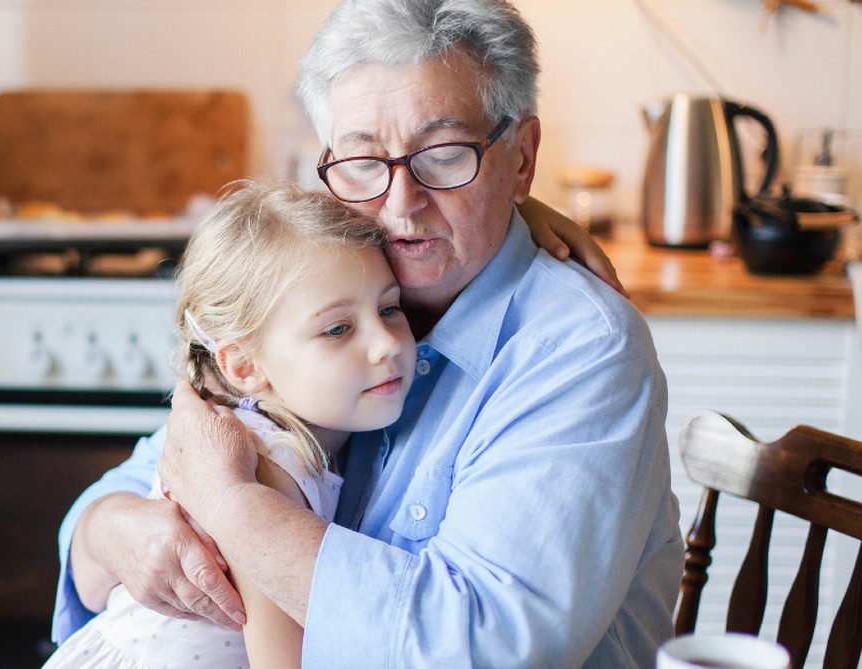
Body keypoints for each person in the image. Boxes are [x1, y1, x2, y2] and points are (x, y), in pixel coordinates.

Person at [56, 1, 684, 666]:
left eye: (444, 156)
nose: (398, 203)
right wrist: (110, 533)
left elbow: (480, 648)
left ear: (521, 158)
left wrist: (233, 508)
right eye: (363, 160)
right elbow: (139, 487)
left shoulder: (578, 349)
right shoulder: (332, 290)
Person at [44, 179, 417, 668]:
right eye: (337, 329)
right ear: (243, 367)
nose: (386, 343)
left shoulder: (286, 436)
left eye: (390, 308)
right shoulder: (263, 463)